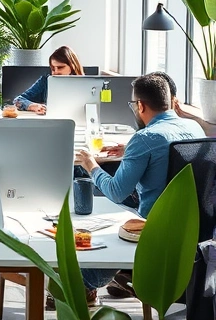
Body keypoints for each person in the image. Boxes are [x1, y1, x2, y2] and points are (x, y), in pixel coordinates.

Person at [72, 73, 205, 304]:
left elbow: (116, 192)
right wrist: (129, 151)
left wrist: (91, 164)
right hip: (192, 225)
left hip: (152, 227)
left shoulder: (144, 138)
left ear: (141, 105)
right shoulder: (194, 127)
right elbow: (168, 152)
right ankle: (122, 276)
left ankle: (84, 281)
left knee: (88, 179)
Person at [14, 46, 84, 114]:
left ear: (72, 66)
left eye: (60, 67)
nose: (56, 72)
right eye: (53, 68)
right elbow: (18, 100)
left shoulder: (85, 84)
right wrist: (32, 106)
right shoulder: (45, 81)